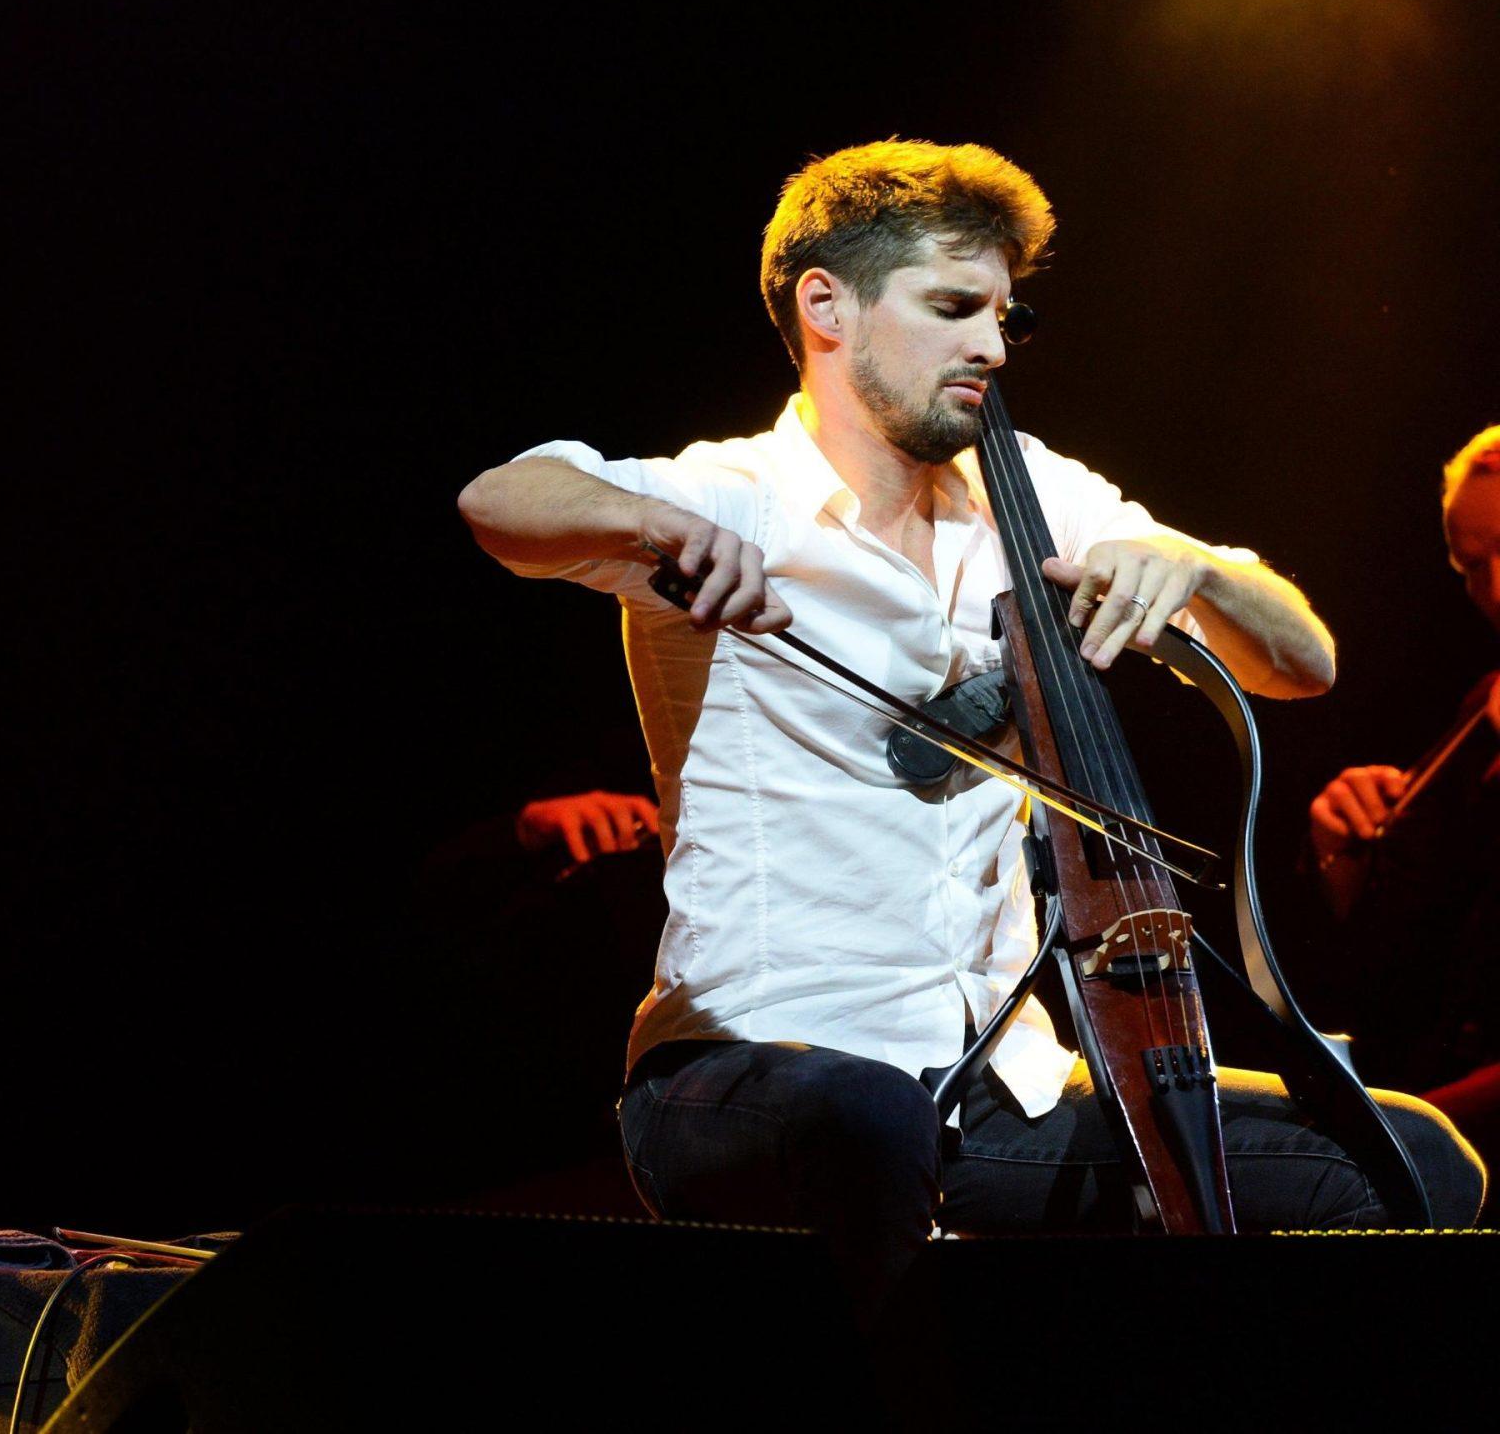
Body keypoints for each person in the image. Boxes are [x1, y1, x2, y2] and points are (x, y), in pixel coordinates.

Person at [456, 139, 1483, 1301]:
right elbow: (503, 498)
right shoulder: (734, 490)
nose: (992, 345)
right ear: (825, 304)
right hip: (749, 1069)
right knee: (865, 1114)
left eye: (1004, 314)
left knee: (1410, 1160)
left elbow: (1303, 662)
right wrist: (653, 528)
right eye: (952, 308)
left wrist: (1183, 565)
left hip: (1003, 1084)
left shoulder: (1032, 491)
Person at [1308, 425, 1500, 1165]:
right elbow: (1402, 971)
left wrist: (1401, 1133)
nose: (1491, 591)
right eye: (1470, 565)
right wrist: (1344, 850)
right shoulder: (1480, 714)